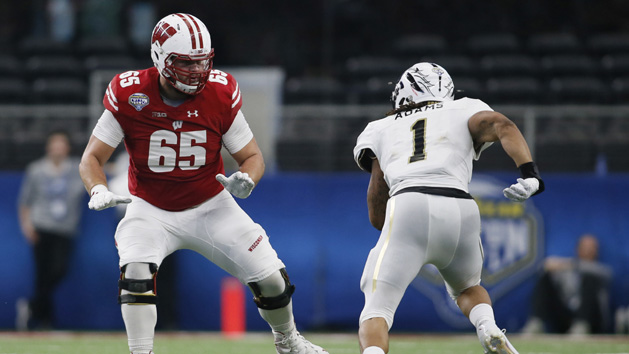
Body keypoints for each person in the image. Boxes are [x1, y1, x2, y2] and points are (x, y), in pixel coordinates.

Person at [78, 13, 327, 354]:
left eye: (202, 62)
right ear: (160, 58)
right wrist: (98, 188)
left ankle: (289, 342)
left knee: (272, 279)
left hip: (211, 205)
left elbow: (252, 157)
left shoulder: (220, 92)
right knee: (135, 275)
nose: (196, 72)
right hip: (149, 207)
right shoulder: (131, 91)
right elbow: (92, 158)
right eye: (185, 63)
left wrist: (247, 180)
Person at [352, 62, 546, 354]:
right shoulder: (464, 108)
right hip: (460, 207)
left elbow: (377, 200)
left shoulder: (380, 127)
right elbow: (503, 125)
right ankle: (488, 328)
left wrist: (393, 231)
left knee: (377, 306)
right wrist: (531, 175)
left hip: (409, 203)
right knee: (468, 287)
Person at [17, 130, 86, 330]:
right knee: (42, 274)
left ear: (67, 148)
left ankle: (33, 306)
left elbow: (95, 170)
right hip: (42, 226)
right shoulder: (36, 169)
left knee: (59, 270)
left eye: (61, 144)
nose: (57, 149)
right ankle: (45, 320)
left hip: (65, 229)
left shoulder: (76, 168)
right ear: (48, 147)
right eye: (54, 144)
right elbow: (25, 201)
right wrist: (26, 225)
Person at [521, 233, 612, 335]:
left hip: (592, 321)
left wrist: (568, 264)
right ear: (578, 249)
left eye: (592, 248)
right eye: (585, 247)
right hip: (567, 318)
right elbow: (544, 267)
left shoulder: (600, 270)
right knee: (546, 277)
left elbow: (605, 273)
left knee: (590, 278)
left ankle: (582, 326)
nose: (588, 251)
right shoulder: (566, 272)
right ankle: (536, 323)